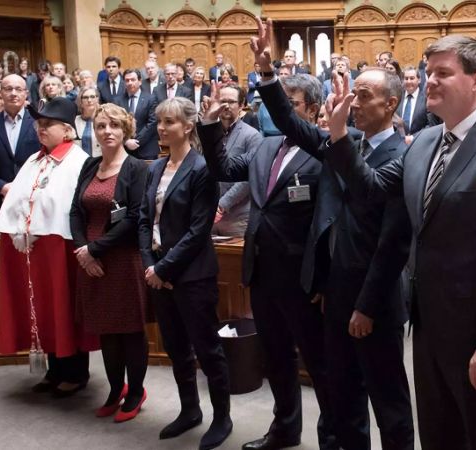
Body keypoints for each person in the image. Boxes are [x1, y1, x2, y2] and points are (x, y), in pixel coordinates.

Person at [325, 34, 476, 450]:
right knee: (438, 434)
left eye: (443, 73)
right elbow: (372, 191)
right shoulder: (424, 142)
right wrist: (338, 132)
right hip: (426, 330)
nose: (430, 81)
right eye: (428, 73)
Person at [252, 21, 415, 449]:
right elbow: (292, 123)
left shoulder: (403, 156)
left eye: (364, 96)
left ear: (391, 104)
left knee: (389, 403)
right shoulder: (348, 143)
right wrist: (268, 75)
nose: (353, 102)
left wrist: (364, 307)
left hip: (375, 300)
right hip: (336, 294)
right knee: (343, 399)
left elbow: (389, 243)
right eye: (351, 92)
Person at [199, 73, 334, 450]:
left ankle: (333, 437)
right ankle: (285, 429)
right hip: (261, 270)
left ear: (312, 107)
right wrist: (209, 123)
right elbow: (223, 169)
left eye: (290, 103)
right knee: (276, 358)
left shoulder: (324, 147)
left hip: (302, 277)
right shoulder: (265, 145)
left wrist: (322, 279)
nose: (279, 111)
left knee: (319, 363)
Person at [138, 97, 232, 450]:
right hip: (158, 272)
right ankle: (190, 410)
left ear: (189, 126)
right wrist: (151, 264)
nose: (162, 128)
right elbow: (146, 220)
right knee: (177, 347)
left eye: (170, 122)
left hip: (192, 274)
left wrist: (162, 268)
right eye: (159, 122)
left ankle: (222, 417)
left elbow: (198, 230)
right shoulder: (154, 168)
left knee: (207, 349)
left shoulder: (202, 168)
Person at [0, 97, 96, 397]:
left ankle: (75, 372)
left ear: (66, 130)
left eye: (47, 124)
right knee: (43, 309)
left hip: (59, 249)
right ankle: (54, 369)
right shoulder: (33, 159)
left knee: (63, 307)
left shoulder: (78, 161)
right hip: (32, 251)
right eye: (39, 124)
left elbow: (72, 207)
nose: (41, 129)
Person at [70, 102, 149, 421]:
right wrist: (82, 250)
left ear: (125, 130)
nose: (107, 131)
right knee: (106, 329)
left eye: (114, 126)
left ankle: (135, 391)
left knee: (130, 330)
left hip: (122, 259)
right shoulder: (89, 165)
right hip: (91, 259)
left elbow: (133, 218)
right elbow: (76, 211)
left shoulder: (138, 168)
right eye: (101, 126)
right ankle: (115, 389)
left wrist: (94, 250)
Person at [0, 75, 41, 220]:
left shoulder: (40, 124)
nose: (13, 93)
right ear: (1, 93)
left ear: (26, 93)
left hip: (36, 202)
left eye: (18, 89)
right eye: (8, 89)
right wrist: (2, 187)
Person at [207, 84, 263, 237]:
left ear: (242, 105)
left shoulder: (252, 136)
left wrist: (223, 204)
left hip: (238, 218)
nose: (226, 106)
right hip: (208, 214)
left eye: (231, 102)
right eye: (222, 101)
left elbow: (249, 178)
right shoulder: (208, 134)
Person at [117, 69, 160, 160]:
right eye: (127, 80)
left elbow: (152, 123)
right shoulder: (118, 101)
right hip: (125, 150)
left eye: (133, 80)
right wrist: (126, 141)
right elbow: (117, 123)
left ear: (140, 81)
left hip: (147, 149)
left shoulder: (151, 99)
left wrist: (137, 141)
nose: (130, 83)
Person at [398, 66, 437, 135]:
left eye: (412, 78)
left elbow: (431, 125)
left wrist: (414, 138)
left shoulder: (427, 98)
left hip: (418, 141)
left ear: (419, 80)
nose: (408, 81)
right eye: (406, 78)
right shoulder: (398, 97)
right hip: (398, 142)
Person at [74, 87, 102, 156]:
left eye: (92, 97)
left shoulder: (104, 120)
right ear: (80, 101)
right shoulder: (74, 121)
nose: (89, 100)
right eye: (85, 97)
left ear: (97, 99)